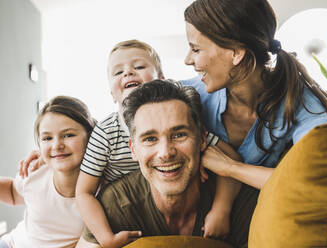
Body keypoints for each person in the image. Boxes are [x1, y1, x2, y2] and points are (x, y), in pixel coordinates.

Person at [20, 40, 241, 247]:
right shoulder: (104, 133)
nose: (128, 72)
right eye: (118, 72)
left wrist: (221, 209)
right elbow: (84, 191)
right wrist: (107, 238)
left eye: (138, 66)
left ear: (162, 80)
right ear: (111, 94)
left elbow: (229, 159)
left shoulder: (182, 117)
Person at [76, 80, 259, 248]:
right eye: (150, 139)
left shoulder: (243, 203)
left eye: (179, 135)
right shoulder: (116, 205)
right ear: (133, 149)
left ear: (203, 139)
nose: (166, 153)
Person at [181, 0, 327, 189]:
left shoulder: (303, 104)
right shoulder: (185, 96)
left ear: (236, 53)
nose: (187, 60)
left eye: (196, 49)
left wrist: (231, 168)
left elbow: (319, 180)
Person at [0, 96, 96, 248]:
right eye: (47, 138)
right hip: (12, 244)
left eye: (68, 135)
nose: (57, 145)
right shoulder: (36, 172)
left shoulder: (103, 186)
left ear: (91, 136)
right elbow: (13, 193)